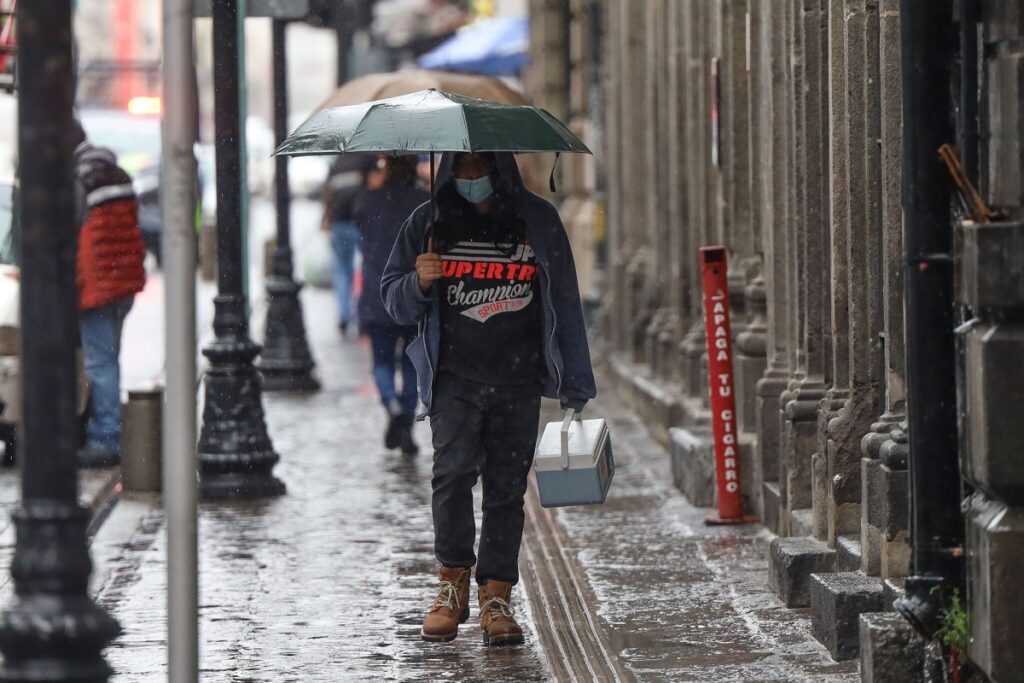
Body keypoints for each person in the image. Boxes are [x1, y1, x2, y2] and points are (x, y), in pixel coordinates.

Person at [381, 151, 596, 646]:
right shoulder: (428, 222)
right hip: (453, 378)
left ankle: (496, 594)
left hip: (518, 381)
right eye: (462, 167)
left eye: (481, 167)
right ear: (448, 169)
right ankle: (452, 581)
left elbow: (565, 298)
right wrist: (419, 281)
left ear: (500, 168)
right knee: (451, 475)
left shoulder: (537, 220)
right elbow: (391, 299)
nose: (472, 178)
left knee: (506, 489)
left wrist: (576, 382)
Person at [72, 123, 147, 468]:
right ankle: (105, 428)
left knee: (100, 364)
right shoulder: (116, 174)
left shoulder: (79, 180)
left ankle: (107, 438)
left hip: (98, 286)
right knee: (107, 359)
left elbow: (77, 238)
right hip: (123, 282)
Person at [353, 156, 429, 454]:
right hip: (412, 294)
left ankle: (392, 405)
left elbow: (361, 231)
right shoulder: (425, 204)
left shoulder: (367, 201)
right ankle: (407, 423)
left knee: (382, 363)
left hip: (376, 293)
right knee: (411, 364)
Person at [322, 155, 374, 336]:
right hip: (361, 221)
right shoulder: (366, 159)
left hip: (340, 222)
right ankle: (363, 315)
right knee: (367, 267)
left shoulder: (337, 162)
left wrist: (326, 217)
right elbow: (373, 185)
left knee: (343, 270)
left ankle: (344, 315)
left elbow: (327, 192)